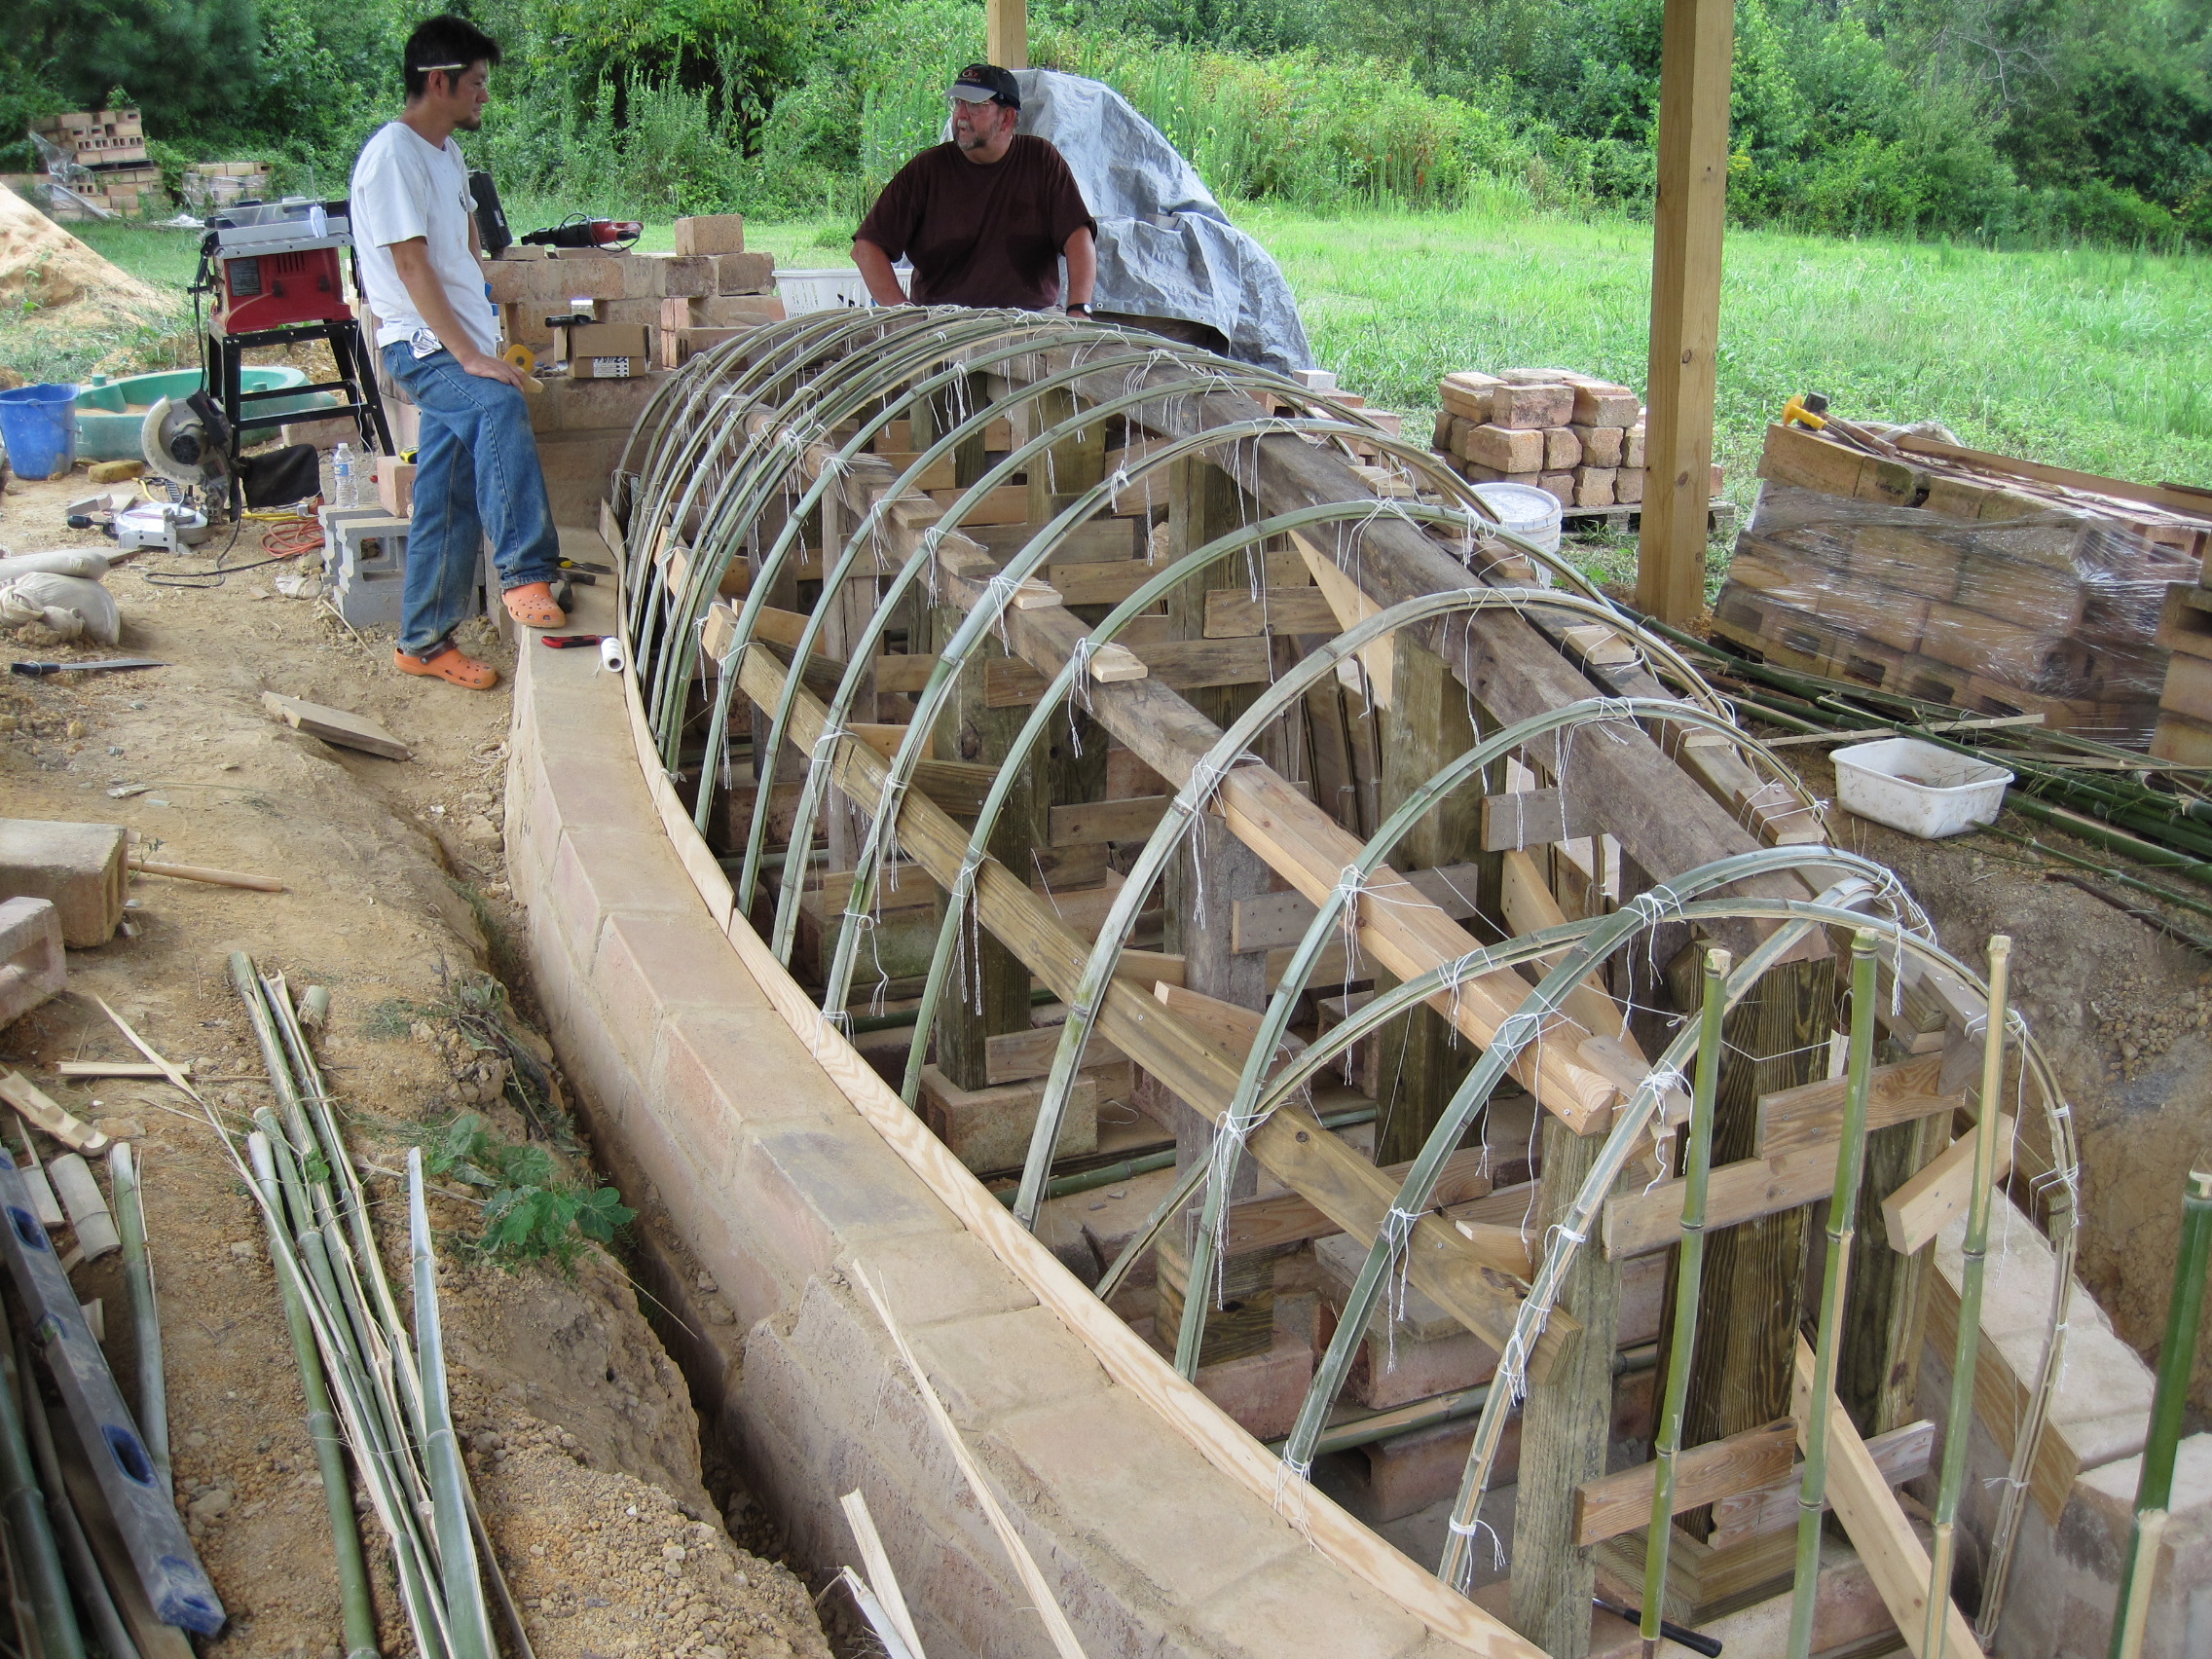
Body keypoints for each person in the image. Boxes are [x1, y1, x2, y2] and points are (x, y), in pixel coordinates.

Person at [350, 14, 565, 691]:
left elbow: (464, 253)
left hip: (458, 339)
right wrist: (471, 355)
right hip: (422, 345)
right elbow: (411, 267)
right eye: (475, 83)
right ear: (437, 81)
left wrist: (487, 332)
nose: (484, 96)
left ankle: (421, 642)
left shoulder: (447, 156)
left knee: (446, 492)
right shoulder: (392, 155)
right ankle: (527, 572)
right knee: (497, 408)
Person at [853, 65, 1098, 315]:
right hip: (943, 324)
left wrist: (1079, 309)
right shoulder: (927, 170)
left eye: (975, 105)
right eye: (958, 103)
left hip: (1031, 321)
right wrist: (905, 317)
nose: (961, 115)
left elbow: (1078, 238)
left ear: (1007, 118)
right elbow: (867, 248)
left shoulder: (1041, 160)